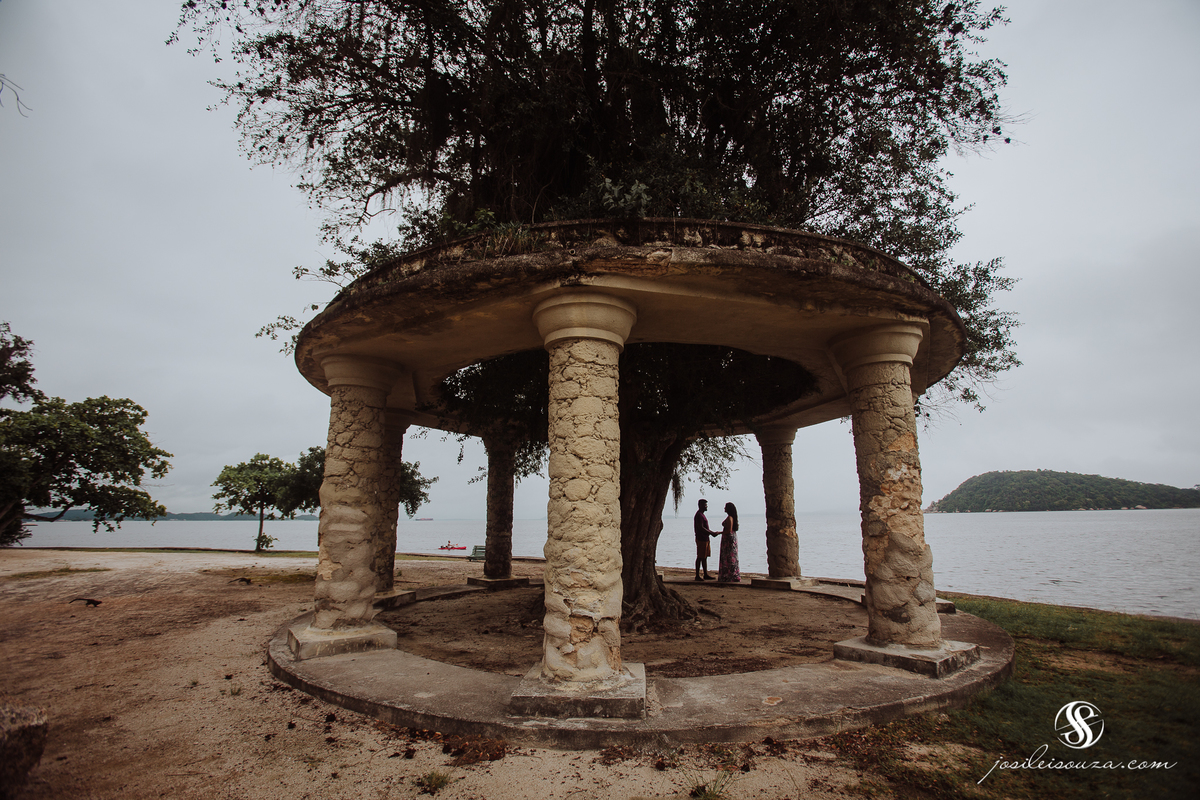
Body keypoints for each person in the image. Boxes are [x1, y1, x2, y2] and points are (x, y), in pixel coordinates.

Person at [693, 499, 718, 580]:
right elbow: (701, 527)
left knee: (704, 557)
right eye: (705, 505)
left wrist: (710, 533)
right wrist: (711, 533)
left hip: (705, 538)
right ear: (700, 506)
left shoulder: (702, 515)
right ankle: (697, 575)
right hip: (701, 539)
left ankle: (705, 574)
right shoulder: (699, 515)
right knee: (700, 556)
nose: (706, 506)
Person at [717, 501, 740, 583]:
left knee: (729, 557)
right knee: (728, 556)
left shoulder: (730, 518)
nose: (724, 508)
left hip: (729, 540)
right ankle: (728, 574)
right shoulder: (730, 517)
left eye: (725, 507)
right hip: (728, 539)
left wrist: (719, 533)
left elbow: (729, 530)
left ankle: (730, 575)